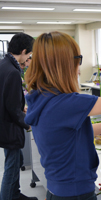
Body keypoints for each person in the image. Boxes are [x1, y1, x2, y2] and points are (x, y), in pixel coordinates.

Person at [24, 32, 101, 199]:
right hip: (76, 193)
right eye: (78, 60)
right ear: (66, 64)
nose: (79, 68)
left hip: (56, 188)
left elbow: (73, 133)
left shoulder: (40, 97)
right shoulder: (67, 103)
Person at [0, 33, 37, 200]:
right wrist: (29, 123)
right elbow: (13, 109)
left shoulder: (3, 64)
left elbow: (7, 99)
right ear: (23, 51)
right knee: (12, 166)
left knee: (15, 160)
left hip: (4, 124)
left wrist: (20, 109)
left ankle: (14, 193)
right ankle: (8, 196)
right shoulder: (13, 72)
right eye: (29, 55)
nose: (28, 58)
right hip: (9, 127)